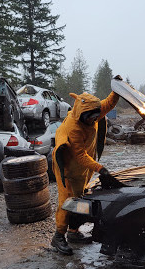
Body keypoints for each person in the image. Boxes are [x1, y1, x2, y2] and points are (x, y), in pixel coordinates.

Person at [51, 80, 120, 255]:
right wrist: (101, 169)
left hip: (83, 167)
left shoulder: (93, 111)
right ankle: (58, 236)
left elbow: (109, 103)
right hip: (67, 167)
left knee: (80, 198)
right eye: (90, 117)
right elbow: (79, 155)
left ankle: (73, 232)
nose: (93, 120)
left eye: (95, 117)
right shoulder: (73, 127)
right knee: (66, 201)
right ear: (82, 113)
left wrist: (117, 90)